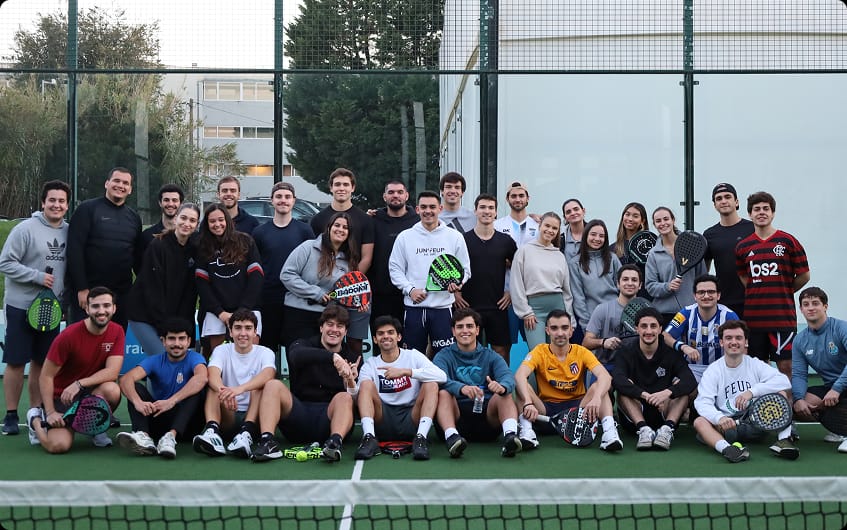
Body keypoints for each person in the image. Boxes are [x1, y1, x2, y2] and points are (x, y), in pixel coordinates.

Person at [0, 180, 70, 436]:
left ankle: (36, 410)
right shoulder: (25, 229)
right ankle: (10, 414)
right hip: (20, 306)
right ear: (43, 202)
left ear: (67, 205)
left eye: (62, 201)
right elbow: (5, 263)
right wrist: (37, 277)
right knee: (17, 362)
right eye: (52, 200)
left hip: (50, 311)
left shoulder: (69, 231)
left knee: (42, 362)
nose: (56, 205)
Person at [252, 305, 360, 462]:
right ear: (321, 327)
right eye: (329, 324)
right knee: (273, 385)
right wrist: (333, 357)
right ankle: (267, 442)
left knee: (345, 397)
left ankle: (334, 444)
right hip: (299, 415)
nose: (334, 329)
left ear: (346, 331)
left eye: (340, 326)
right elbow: (296, 355)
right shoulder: (303, 344)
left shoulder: (353, 356)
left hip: (329, 420)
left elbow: (353, 400)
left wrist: (349, 379)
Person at [27, 287, 125, 453]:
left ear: (114, 308)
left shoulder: (117, 331)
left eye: (107, 306)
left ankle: (95, 428)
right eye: (95, 306)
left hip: (87, 394)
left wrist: (79, 384)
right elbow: (46, 376)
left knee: (112, 389)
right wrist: (51, 412)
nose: (101, 311)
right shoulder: (68, 336)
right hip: (62, 398)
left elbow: (112, 372)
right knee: (58, 446)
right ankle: (35, 419)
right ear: (86, 308)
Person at [515, 310, 623, 452]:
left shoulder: (581, 351)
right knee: (521, 386)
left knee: (599, 387)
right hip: (546, 412)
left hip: (578, 411)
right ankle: (527, 432)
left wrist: (596, 398)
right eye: (554, 328)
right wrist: (528, 403)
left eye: (564, 328)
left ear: (571, 331)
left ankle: (609, 434)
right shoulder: (539, 351)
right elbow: (519, 375)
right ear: (547, 331)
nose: (560, 333)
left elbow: (605, 376)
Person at [694, 320, 798, 462]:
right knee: (699, 422)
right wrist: (720, 418)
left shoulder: (755, 364)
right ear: (721, 343)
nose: (734, 342)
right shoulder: (713, 370)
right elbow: (702, 402)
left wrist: (752, 391)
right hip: (728, 427)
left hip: (757, 424)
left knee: (781, 394)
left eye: (738, 338)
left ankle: (784, 441)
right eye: (729, 338)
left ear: (746, 342)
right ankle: (729, 450)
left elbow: (783, 381)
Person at [735, 191, 809, 379]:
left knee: (786, 366)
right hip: (754, 319)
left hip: (782, 318)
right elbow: (744, 278)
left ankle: (791, 406)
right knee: (757, 368)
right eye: (756, 209)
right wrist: (758, 290)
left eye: (766, 209)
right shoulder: (743, 246)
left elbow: (804, 275)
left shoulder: (788, 241)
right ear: (750, 214)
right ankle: (761, 407)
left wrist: (782, 289)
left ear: (773, 213)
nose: (761, 212)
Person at [388, 191, 471, 355]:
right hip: (414, 309)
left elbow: (465, 269)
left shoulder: (454, 237)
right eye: (424, 207)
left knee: (445, 357)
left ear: (440, 208)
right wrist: (410, 290)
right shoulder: (405, 237)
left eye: (432, 207)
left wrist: (458, 283)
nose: (428, 211)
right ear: (417, 209)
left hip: (443, 309)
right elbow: (395, 269)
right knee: (412, 356)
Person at [432, 309, 522, 458]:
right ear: (453, 331)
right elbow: (439, 379)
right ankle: (452, 438)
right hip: (456, 418)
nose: (465, 330)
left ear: (477, 330)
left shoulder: (491, 356)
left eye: (469, 326)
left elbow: (507, 377)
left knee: (503, 394)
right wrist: (462, 388)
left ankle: (510, 437)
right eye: (460, 327)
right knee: (443, 393)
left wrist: (501, 386)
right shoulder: (443, 355)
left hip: (486, 421)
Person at [354, 315, 446, 460]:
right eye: (381, 333)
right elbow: (358, 397)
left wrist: (407, 372)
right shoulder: (370, 364)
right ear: (375, 339)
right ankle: (369, 437)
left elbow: (442, 376)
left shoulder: (413, 356)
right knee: (365, 384)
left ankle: (421, 438)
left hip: (411, 416)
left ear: (398, 337)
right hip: (382, 417)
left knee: (431, 384)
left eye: (390, 332)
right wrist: (349, 381)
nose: (386, 336)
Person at [117, 318, 208, 458]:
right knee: (135, 387)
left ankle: (171, 436)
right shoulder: (155, 360)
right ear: (163, 341)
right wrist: (138, 402)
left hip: (188, 425)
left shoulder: (194, 358)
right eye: (171, 338)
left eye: (181, 339)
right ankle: (144, 438)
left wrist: (171, 401)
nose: (176, 344)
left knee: (198, 390)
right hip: (160, 420)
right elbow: (126, 379)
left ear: (188, 341)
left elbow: (201, 378)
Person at [281, 211, 370, 355]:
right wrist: (316, 293)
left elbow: (347, 292)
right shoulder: (308, 247)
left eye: (345, 227)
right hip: (298, 314)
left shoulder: (349, 260)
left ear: (349, 233)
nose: (340, 229)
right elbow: (287, 275)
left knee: (322, 367)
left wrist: (359, 302)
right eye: (337, 225)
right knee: (298, 361)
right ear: (329, 228)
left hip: (327, 319)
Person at [192, 309, 276, 458]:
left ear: (255, 332)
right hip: (228, 414)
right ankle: (212, 432)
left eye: (248, 328)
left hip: (255, 417)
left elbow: (269, 374)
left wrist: (239, 389)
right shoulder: (221, 350)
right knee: (214, 386)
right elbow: (213, 373)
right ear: (230, 332)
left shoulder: (265, 352)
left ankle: (246, 434)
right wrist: (224, 390)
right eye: (238, 328)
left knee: (262, 385)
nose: (243, 333)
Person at [66, 166, 143, 328]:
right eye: (116, 181)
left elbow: (136, 259)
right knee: (82, 347)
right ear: (107, 183)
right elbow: (75, 251)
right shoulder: (86, 209)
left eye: (125, 183)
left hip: (120, 297)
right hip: (88, 295)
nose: (120, 185)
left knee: (114, 345)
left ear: (130, 190)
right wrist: (81, 288)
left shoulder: (134, 218)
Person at [612, 307, 697, 451]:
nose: (649, 331)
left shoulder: (671, 353)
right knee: (623, 390)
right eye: (644, 326)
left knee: (682, 390)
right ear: (636, 329)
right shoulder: (626, 351)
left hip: (664, 411)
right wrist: (644, 395)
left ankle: (667, 430)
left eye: (653, 326)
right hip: (636, 416)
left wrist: (667, 393)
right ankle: (644, 430)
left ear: (660, 329)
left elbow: (690, 381)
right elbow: (617, 379)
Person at [127, 203, 201, 357]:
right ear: (175, 219)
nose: (187, 224)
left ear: (197, 225)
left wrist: (184, 329)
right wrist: (166, 328)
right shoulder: (158, 245)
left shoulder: (194, 249)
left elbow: (189, 295)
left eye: (192, 220)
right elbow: (152, 289)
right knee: (162, 359)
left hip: (172, 318)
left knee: (175, 361)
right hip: (144, 316)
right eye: (184, 218)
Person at [252, 182, 314, 353]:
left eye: (287, 197)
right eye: (279, 197)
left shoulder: (305, 231)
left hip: (296, 299)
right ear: (272, 200)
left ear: (293, 201)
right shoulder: (259, 232)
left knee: (295, 349)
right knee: (267, 349)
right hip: (268, 299)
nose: (283, 200)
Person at [455, 193, 517, 361]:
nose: (486, 211)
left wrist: (511, 291)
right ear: (475, 211)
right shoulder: (462, 239)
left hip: (497, 306)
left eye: (491, 208)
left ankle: (502, 386)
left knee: (501, 352)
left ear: (496, 212)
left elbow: (520, 270)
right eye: (482, 207)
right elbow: (453, 268)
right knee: (467, 351)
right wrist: (456, 293)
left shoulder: (506, 241)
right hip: (468, 306)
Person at [195, 203, 264, 352]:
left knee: (249, 357)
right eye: (212, 221)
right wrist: (220, 312)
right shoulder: (202, 246)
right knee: (218, 359)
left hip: (248, 308)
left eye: (221, 220)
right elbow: (202, 284)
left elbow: (256, 277)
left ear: (227, 220)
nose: (217, 224)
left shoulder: (245, 241)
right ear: (207, 224)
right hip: (217, 312)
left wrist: (243, 310)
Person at [792, 287, 847, 451]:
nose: (811, 308)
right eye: (806, 304)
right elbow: (799, 374)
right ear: (801, 309)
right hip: (831, 387)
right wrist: (798, 398)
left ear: (825, 306)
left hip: (839, 386)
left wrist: (837, 389)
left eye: (815, 303)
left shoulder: (841, 328)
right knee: (801, 406)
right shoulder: (800, 340)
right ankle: (840, 430)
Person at [510, 212, 574, 350]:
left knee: (557, 354)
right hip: (534, 310)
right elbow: (516, 284)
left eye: (554, 228)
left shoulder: (559, 255)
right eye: (547, 226)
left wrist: (569, 319)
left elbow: (566, 291)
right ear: (540, 225)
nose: (550, 230)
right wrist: (525, 311)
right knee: (538, 354)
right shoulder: (524, 251)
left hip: (558, 307)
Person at [663, 274, 739, 382]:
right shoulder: (685, 313)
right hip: (693, 368)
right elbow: (665, 335)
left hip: (722, 368)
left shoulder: (729, 316)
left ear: (718, 295)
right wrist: (683, 347)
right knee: (680, 391)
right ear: (695, 296)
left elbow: (742, 344)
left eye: (711, 292)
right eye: (701, 292)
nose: (706, 296)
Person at [368, 180, 419, 334]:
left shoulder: (417, 221)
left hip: (411, 293)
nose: (395, 195)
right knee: (382, 336)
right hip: (380, 294)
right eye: (391, 192)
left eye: (399, 192)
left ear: (407, 196)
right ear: (384, 197)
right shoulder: (373, 220)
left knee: (410, 340)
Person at [493, 181, 538, 346]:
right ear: (507, 199)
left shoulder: (538, 226)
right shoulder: (496, 226)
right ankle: (504, 373)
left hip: (532, 293)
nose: (517, 199)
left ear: (528, 198)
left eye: (521, 196)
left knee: (536, 344)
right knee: (503, 345)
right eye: (513, 196)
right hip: (506, 295)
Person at [645, 206, 705, 324]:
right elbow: (650, 286)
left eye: (666, 219)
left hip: (691, 311)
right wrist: (667, 287)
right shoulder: (653, 254)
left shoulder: (691, 245)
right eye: (658, 221)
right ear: (654, 225)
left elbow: (702, 278)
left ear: (673, 220)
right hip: (664, 314)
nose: (663, 223)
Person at [309, 168, 374, 274]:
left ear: (352, 188)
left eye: (346, 184)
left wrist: (350, 283)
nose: (341, 188)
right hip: (324, 281)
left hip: (354, 283)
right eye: (337, 184)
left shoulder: (365, 220)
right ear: (331, 188)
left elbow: (366, 259)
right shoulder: (317, 220)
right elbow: (313, 256)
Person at [703, 183, 753, 318]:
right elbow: (705, 270)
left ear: (736, 202)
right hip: (724, 303)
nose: (723, 201)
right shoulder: (709, 234)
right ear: (714, 205)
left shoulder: (752, 228)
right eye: (718, 199)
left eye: (727, 197)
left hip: (752, 300)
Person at [583, 264, 643, 372]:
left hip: (637, 367)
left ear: (640, 285)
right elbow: (586, 342)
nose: (630, 283)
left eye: (634, 280)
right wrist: (603, 342)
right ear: (618, 284)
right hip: (607, 366)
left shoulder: (647, 311)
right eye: (625, 279)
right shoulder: (602, 309)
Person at [569, 218, 621, 333]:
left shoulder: (613, 259)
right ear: (586, 235)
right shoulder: (575, 263)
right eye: (593, 234)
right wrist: (586, 324)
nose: (597, 239)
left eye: (601, 236)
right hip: (592, 320)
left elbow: (623, 288)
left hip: (617, 317)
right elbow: (578, 297)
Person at [141, 183, 184, 252]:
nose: (170, 204)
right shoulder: (147, 236)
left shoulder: (189, 236)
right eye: (166, 200)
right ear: (160, 203)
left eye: (174, 200)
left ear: (181, 203)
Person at [612, 202, 649, 266]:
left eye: (635, 216)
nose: (630, 219)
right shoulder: (612, 249)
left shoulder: (650, 247)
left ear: (642, 221)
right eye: (627, 214)